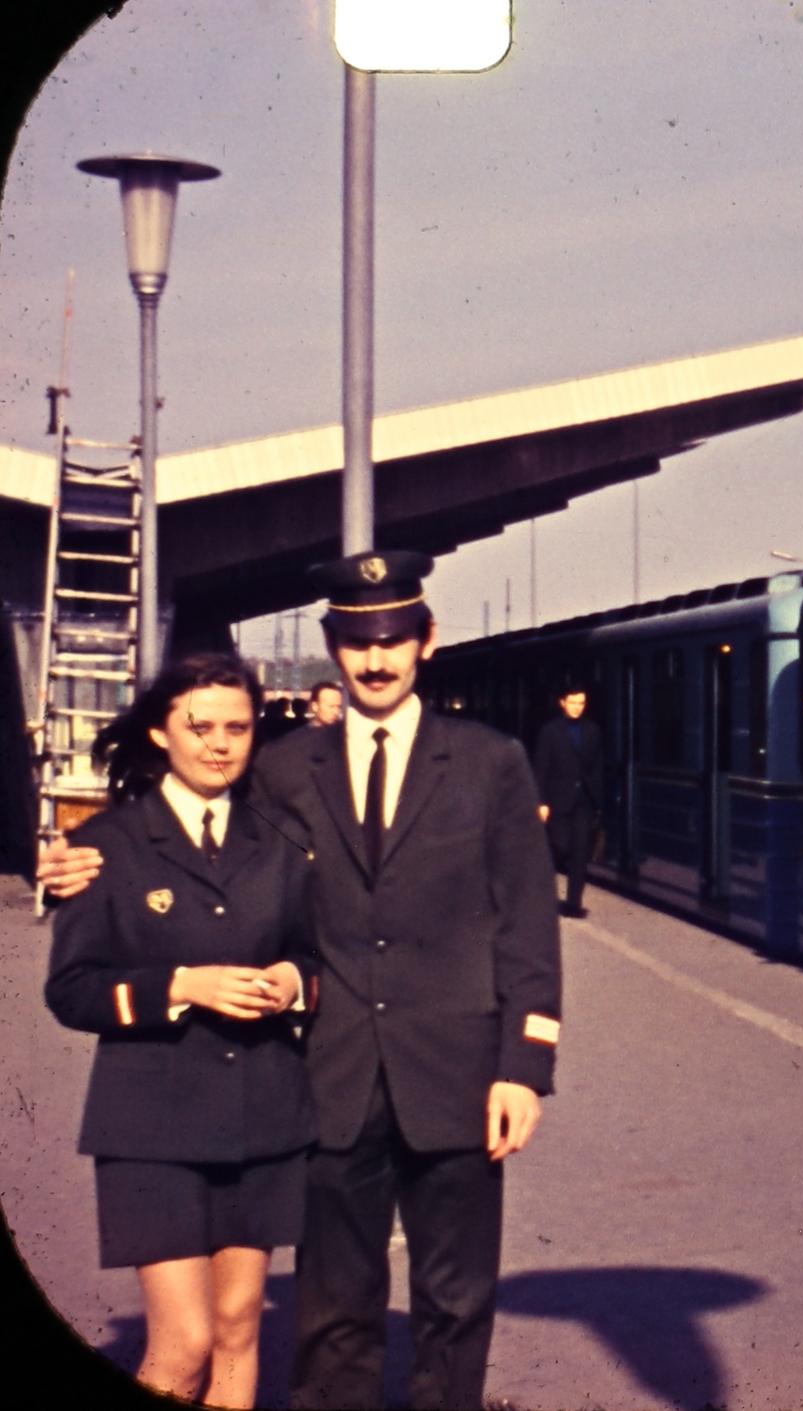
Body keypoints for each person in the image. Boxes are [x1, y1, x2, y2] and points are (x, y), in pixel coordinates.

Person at [41, 551, 563, 1411]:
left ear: (427, 640)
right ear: (333, 647)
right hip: (328, 1077)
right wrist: (77, 860)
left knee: (457, 1301)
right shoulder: (283, 767)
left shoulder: (490, 761)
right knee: (331, 1309)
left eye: (395, 637)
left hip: (462, 1073)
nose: (377, 658)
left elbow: (528, 928)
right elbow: (190, 833)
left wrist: (524, 1064)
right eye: (358, 641)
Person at [44, 653, 318, 1408]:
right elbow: (69, 989)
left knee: (237, 1328)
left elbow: (316, 951)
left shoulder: (283, 839)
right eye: (200, 727)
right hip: (151, 1126)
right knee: (184, 1343)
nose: (220, 743)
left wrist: (295, 982)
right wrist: (180, 987)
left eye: (238, 727)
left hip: (263, 1115)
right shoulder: (107, 842)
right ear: (162, 732)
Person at [532, 687, 604, 918]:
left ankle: (573, 904)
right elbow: (541, 767)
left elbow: (596, 766)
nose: (577, 707)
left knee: (580, 853)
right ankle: (542, 897)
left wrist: (598, 798)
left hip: (583, 801)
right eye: (572, 702)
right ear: (562, 702)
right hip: (557, 800)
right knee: (559, 848)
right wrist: (541, 802)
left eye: (581, 703)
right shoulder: (550, 732)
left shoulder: (592, 730)